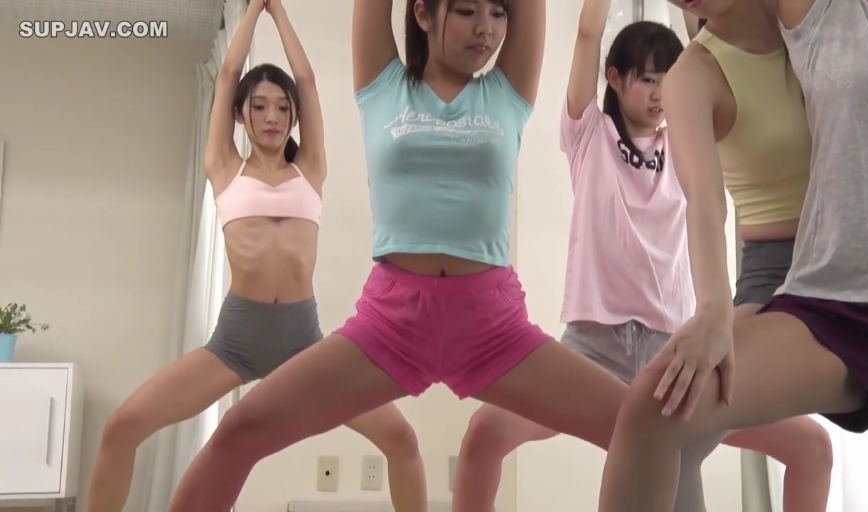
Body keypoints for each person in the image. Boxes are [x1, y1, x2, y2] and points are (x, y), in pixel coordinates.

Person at [165, 0, 653, 509]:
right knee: (241, 427)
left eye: (497, 13)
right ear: (422, 13)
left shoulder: (506, 93)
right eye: (465, 11)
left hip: (492, 327)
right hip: (392, 324)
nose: (486, 28)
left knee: (645, 430)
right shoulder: (383, 86)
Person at [453, 3, 830, 510]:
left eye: (667, 80)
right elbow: (588, 34)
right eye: (648, 80)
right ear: (614, 78)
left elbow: (712, 46)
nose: (660, 94)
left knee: (811, 445)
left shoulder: (686, 142)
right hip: (593, 350)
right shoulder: (590, 135)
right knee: (485, 432)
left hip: (673, 352)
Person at [84, 1, 428, 511]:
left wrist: (279, 12)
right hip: (235, 342)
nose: (273, 117)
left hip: (303, 342)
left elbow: (306, 80)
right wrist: (252, 10)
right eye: (260, 106)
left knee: (401, 439)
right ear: (240, 114)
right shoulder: (225, 168)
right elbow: (228, 73)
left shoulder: (309, 167)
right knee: (121, 427)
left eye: (283, 109)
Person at [598, 0, 868, 510]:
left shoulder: (805, 21)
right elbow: (704, 201)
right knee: (664, 408)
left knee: (804, 447)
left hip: (865, 251)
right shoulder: (694, 75)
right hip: (792, 280)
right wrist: (712, 308)